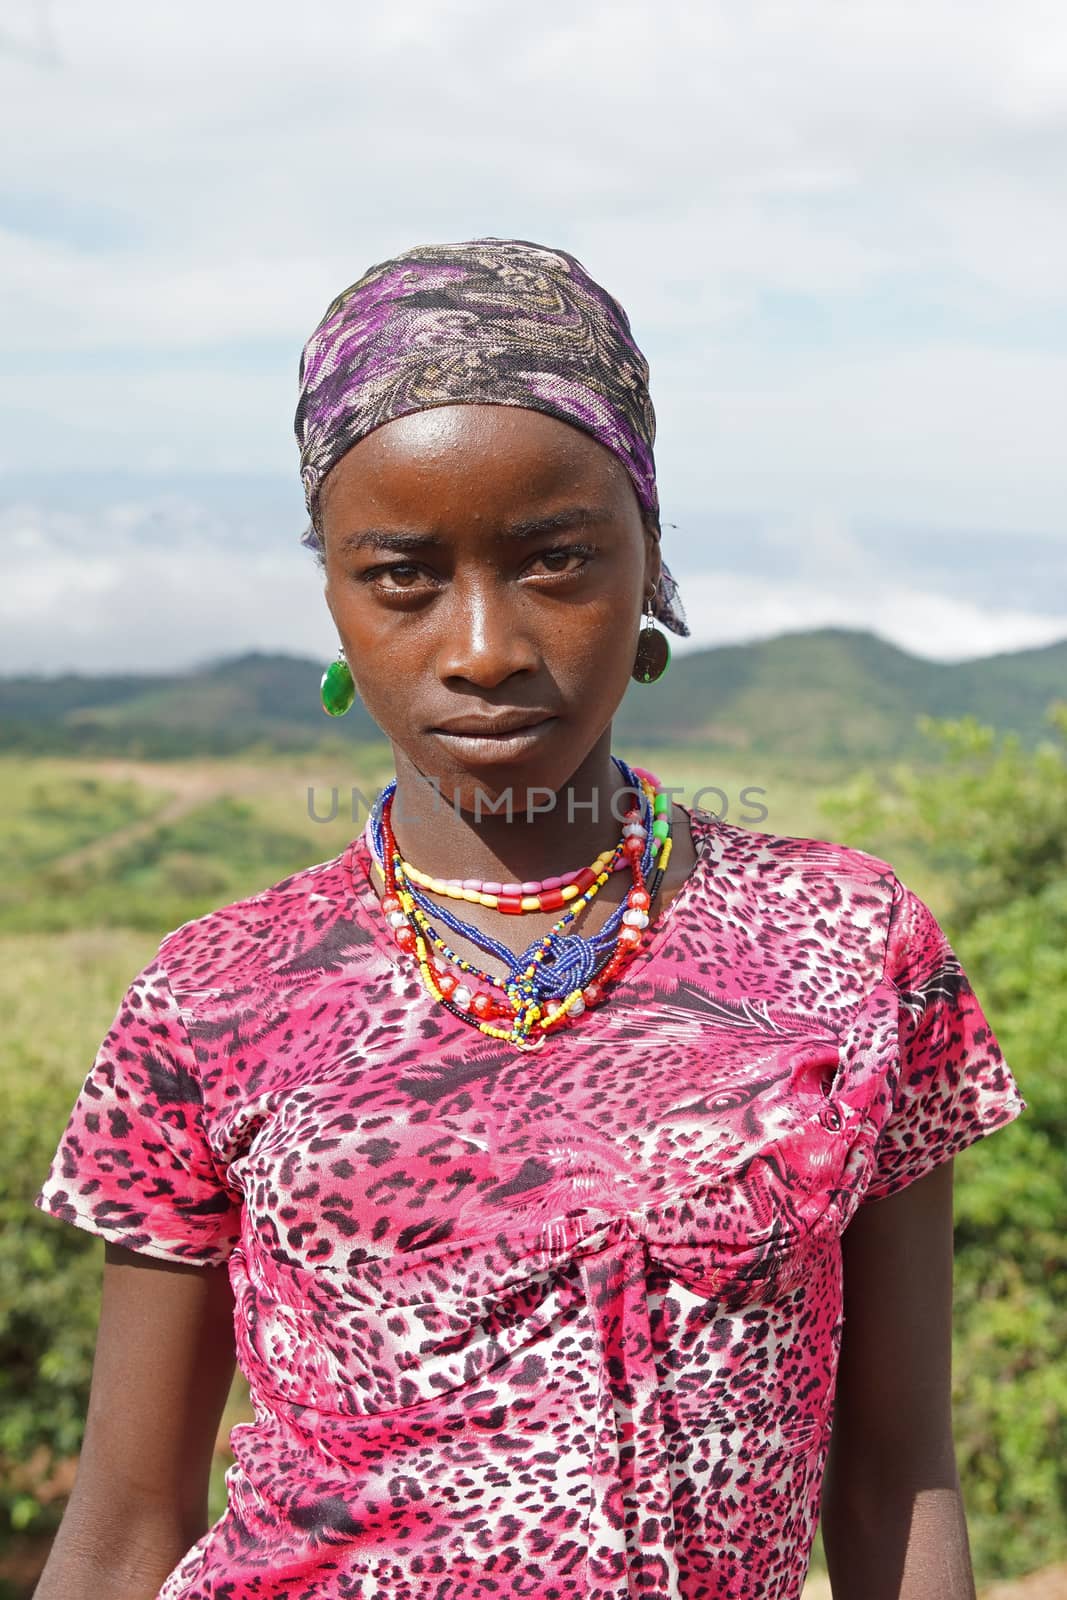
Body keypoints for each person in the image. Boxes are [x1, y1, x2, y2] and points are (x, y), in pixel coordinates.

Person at [32, 238, 1026, 1600]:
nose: (485, 644)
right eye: (402, 576)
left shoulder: (850, 944)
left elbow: (897, 1476)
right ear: (331, 591)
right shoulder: (215, 993)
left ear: (650, 569)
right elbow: (126, 1523)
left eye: (557, 561)